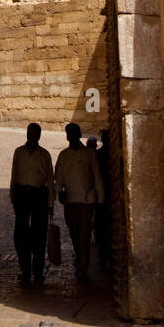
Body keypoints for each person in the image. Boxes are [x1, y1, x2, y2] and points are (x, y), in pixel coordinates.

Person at [56, 121, 103, 282]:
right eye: (69, 134)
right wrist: (59, 191)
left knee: (84, 234)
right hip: (70, 200)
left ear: (78, 134)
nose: (71, 136)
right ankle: (80, 258)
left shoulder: (89, 154)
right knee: (74, 234)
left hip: (86, 200)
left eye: (73, 133)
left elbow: (97, 176)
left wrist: (100, 198)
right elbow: (59, 176)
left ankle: (83, 267)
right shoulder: (63, 155)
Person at [9, 122, 55, 284]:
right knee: (20, 233)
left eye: (35, 134)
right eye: (30, 133)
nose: (32, 136)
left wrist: (50, 203)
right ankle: (25, 268)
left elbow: (50, 179)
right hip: (22, 194)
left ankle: (38, 270)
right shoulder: (19, 153)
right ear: (27, 134)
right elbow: (14, 174)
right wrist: (12, 195)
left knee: (39, 233)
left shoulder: (45, 155)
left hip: (38, 195)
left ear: (39, 136)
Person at [88, 131, 112, 268]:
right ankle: (105, 255)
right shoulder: (101, 155)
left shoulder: (98, 155)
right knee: (104, 226)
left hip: (102, 198)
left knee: (101, 227)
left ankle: (104, 255)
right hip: (104, 197)